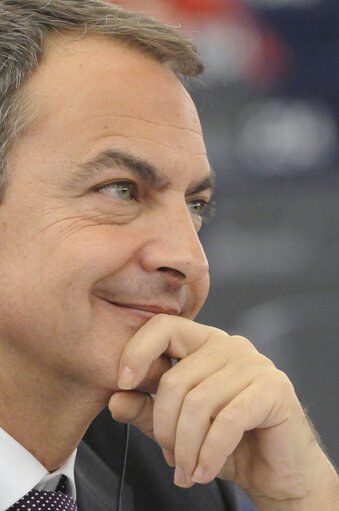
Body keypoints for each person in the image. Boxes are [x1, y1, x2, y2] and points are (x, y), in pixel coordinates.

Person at [0, 1, 338, 510]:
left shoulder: (183, 482)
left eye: (195, 205)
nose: (192, 260)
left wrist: (300, 497)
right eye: (121, 190)